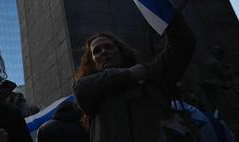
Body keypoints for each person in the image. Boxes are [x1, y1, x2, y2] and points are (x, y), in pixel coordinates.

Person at [73, 11, 196, 141]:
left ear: (121, 52)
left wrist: (163, 9)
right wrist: (129, 75)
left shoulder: (151, 75)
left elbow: (183, 43)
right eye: (97, 51)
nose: (104, 52)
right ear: (92, 63)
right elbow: (80, 89)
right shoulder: (91, 93)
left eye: (108, 47)